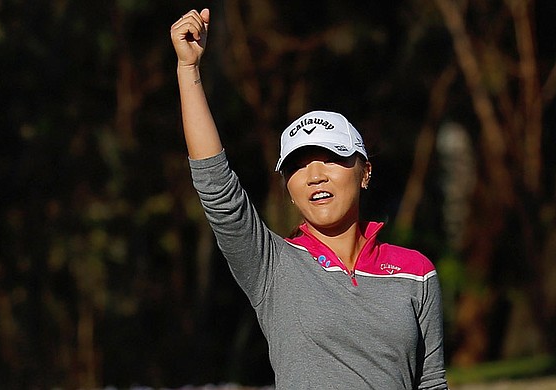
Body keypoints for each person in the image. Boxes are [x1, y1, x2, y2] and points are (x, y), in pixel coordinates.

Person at [170, 8, 448, 389]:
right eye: (298, 167)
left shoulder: (416, 272)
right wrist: (189, 71)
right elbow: (217, 188)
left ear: (364, 172)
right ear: (288, 188)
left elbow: (431, 381)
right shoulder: (272, 267)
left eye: (331, 158)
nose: (315, 175)